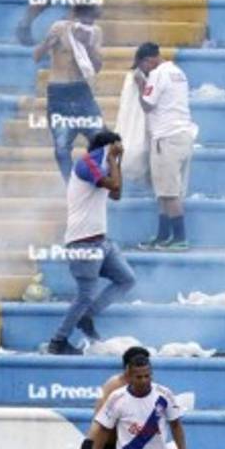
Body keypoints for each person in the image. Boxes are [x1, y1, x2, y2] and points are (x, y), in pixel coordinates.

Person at [48, 129, 135, 355]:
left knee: (126, 279)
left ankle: (86, 316)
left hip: (101, 241)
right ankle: (58, 341)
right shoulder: (86, 164)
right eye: (116, 147)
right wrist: (113, 159)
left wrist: (117, 161)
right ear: (107, 147)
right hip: (83, 243)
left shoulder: (104, 166)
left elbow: (117, 195)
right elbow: (114, 186)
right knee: (85, 294)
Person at [132, 43, 197, 251]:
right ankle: (163, 236)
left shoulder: (157, 74)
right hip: (182, 135)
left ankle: (180, 237)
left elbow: (147, 105)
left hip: (166, 138)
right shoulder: (178, 72)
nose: (143, 70)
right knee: (164, 191)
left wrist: (140, 85)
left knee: (169, 193)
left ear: (148, 60)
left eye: (142, 66)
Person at [33, 4, 104, 180]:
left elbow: (97, 67)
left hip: (81, 90)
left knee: (101, 139)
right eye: (84, 17)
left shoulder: (95, 32)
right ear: (75, 16)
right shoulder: (59, 28)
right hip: (59, 91)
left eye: (91, 18)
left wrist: (87, 46)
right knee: (62, 147)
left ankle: (91, 176)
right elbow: (36, 56)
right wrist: (49, 43)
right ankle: (71, 186)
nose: (87, 22)